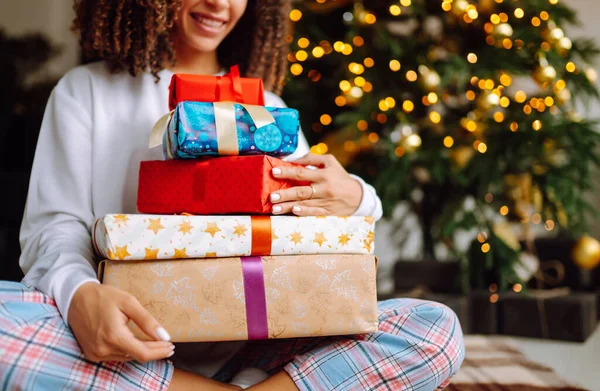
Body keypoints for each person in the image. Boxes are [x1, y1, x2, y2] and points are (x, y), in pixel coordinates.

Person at [0, 0, 465, 389]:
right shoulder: (86, 92)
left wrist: (358, 198)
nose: (220, 5)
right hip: (128, 344)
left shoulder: (268, 112)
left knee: (436, 331)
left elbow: (316, 231)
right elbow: (55, 228)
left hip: (258, 343)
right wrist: (82, 295)